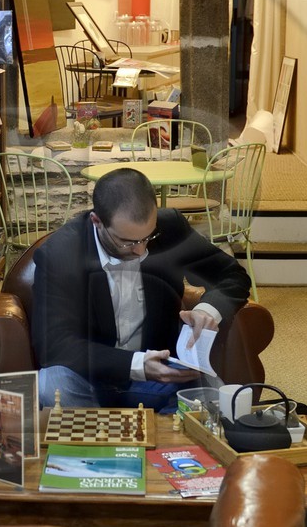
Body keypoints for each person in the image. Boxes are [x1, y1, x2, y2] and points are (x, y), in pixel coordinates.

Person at [31, 166, 252, 412]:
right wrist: (136, 364)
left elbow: (232, 276)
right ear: (97, 222)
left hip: (159, 378)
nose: (141, 250)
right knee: (51, 384)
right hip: (89, 377)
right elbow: (54, 345)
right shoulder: (60, 254)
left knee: (215, 399)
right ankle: (95, 448)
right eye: (127, 241)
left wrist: (208, 310)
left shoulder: (169, 229)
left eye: (148, 237)